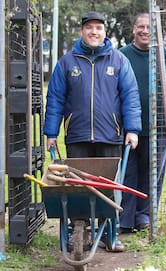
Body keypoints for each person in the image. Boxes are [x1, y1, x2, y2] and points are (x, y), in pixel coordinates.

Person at [43, 11, 142, 252]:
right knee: (78, 185)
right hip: (77, 135)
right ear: (82, 31)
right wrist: (51, 133)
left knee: (109, 186)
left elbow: (130, 97)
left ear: (104, 32)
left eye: (98, 28)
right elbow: (55, 99)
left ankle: (110, 233)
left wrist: (132, 130)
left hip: (110, 134)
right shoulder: (67, 63)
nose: (94, 32)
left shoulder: (118, 61)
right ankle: (81, 229)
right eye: (89, 28)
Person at [118, 13, 166, 232]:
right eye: (141, 27)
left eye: (149, 27)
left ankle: (144, 217)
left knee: (152, 175)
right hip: (127, 129)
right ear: (133, 29)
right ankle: (125, 219)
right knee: (127, 173)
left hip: (158, 129)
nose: (145, 31)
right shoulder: (121, 56)